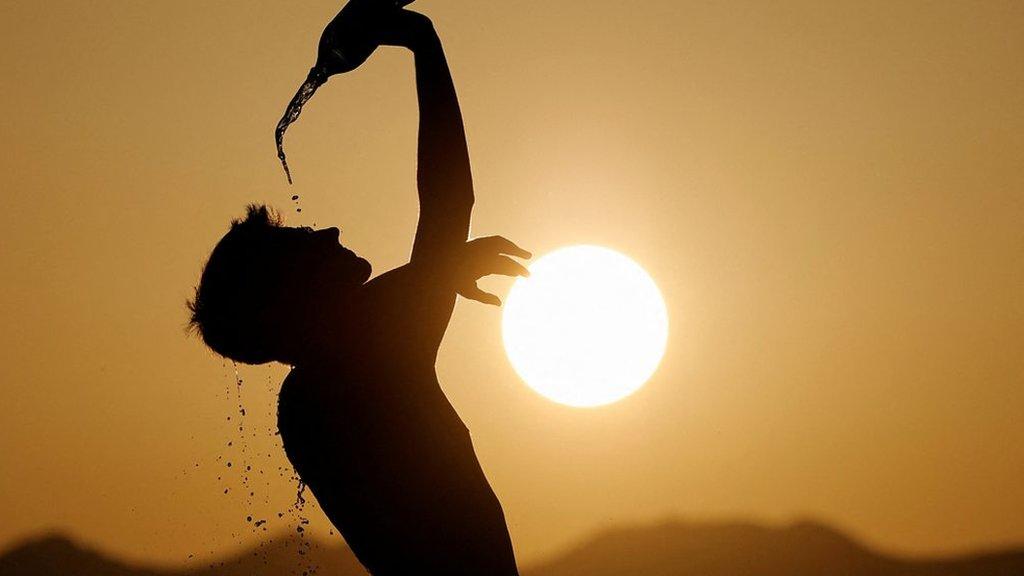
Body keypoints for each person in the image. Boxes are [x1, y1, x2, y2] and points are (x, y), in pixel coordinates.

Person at [188, 8, 527, 575]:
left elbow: (389, 299)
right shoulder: (358, 367)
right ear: (292, 295)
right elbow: (449, 204)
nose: (330, 231)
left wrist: (438, 270)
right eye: (303, 243)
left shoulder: (314, 392)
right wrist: (420, 39)